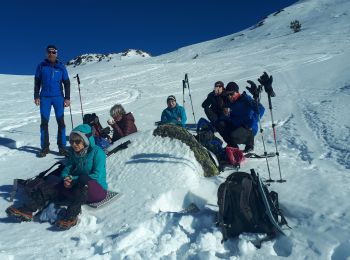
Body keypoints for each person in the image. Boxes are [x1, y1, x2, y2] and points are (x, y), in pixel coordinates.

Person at [6, 124, 108, 229]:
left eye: (77, 141)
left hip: (97, 190)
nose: (74, 144)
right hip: (77, 189)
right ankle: (27, 210)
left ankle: (70, 217)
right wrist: (66, 179)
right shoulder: (74, 154)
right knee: (51, 187)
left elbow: (96, 175)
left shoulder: (97, 152)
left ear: (86, 141)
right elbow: (66, 170)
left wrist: (73, 180)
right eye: (72, 141)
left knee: (83, 180)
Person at [34, 45, 71, 157]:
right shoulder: (41, 66)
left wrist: (67, 98)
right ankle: (45, 148)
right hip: (45, 97)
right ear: (46, 53)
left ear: (56, 53)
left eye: (53, 52)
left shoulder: (61, 67)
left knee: (61, 122)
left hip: (58, 97)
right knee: (44, 123)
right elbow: (37, 82)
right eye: (49, 52)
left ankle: (62, 147)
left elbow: (67, 83)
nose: (51, 54)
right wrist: (36, 96)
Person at [220, 82, 265, 152]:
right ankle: (233, 147)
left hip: (249, 128)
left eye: (231, 94)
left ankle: (250, 145)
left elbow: (261, 109)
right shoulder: (230, 103)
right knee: (221, 125)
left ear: (237, 92)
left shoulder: (245, 99)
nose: (229, 96)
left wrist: (251, 122)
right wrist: (225, 116)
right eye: (228, 94)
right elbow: (231, 118)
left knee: (233, 135)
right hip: (238, 127)